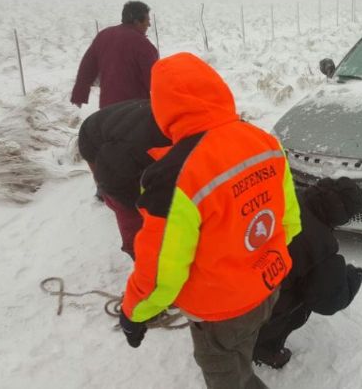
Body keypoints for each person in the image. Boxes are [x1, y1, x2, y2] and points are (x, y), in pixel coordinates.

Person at [117, 52, 302, 389]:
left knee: (228, 377)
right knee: (242, 348)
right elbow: (288, 221)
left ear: (163, 107)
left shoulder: (172, 177)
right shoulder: (264, 141)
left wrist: (133, 314)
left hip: (221, 313)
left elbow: (161, 274)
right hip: (268, 286)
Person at [253, 177, 362, 369]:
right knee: (303, 301)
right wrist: (352, 279)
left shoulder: (290, 195)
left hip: (231, 279)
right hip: (256, 300)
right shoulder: (321, 244)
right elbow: (329, 301)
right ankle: (264, 347)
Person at [77, 99, 171, 260]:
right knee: (127, 208)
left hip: (121, 126)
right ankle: (136, 252)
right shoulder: (135, 146)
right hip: (92, 138)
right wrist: (142, 205)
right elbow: (114, 181)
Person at [71, 1, 159, 109]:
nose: (149, 24)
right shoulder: (143, 44)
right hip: (135, 110)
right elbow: (154, 78)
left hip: (107, 108)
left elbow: (87, 67)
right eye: (147, 20)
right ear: (137, 22)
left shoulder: (103, 35)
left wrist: (79, 95)